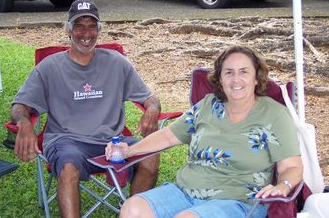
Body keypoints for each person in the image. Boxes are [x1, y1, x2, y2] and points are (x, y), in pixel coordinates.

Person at [106, 45, 303, 218]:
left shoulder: (275, 114)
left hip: (237, 201)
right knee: (133, 209)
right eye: (228, 72)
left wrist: (282, 187)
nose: (236, 79)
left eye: (244, 71)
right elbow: (168, 136)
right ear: (220, 79)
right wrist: (128, 151)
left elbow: (292, 167)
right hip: (184, 191)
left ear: (256, 78)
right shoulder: (208, 105)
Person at [10, 0, 161, 218]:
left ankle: (132, 213)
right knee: (69, 167)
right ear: (69, 31)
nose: (86, 33)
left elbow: (150, 98)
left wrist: (152, 110)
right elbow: (19, 106)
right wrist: (23, 123)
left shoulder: (116, 62)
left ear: (99, 30)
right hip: (67, 140)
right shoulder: (50, 67)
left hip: (112, 142)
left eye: (92, 26)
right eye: (79, 26)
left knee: (150, 157)